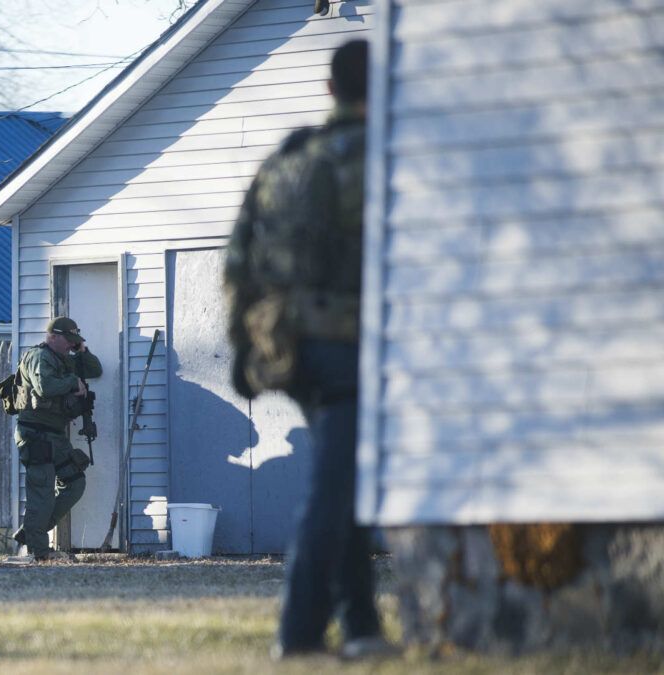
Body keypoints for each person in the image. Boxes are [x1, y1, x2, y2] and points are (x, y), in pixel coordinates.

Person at [224, 39, 389, 658]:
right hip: (352, 346)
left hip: (291, 352)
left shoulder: (288, 160)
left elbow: (238, 262)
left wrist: (245, 351)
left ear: (329, 89)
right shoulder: (384, 160)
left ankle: (363, 628)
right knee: (331, 491)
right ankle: (298, 634)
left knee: (341, 479)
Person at [10, 316, 102, 561]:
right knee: (42, 491)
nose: (71, 345)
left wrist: (82, 351)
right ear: (52, 337)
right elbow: (46, 388)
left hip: (55, 435)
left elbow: (95, 369)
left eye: (74, 341)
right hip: (35, 434)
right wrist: (73, 382)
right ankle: (40, 551)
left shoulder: (64, 359)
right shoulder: (39, 357)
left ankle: (33, 531)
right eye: (68, 340)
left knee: (74, 482)